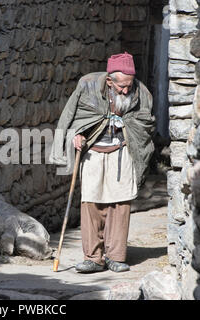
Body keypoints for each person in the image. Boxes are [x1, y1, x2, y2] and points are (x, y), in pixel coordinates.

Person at [49, 52, 155, 273]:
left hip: (122, 152)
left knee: (120, 203)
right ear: (109, 80)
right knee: (91, 203)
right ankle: (93, 258)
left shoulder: (140, 92)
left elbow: (145, 122)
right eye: (121, 87)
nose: (125, 90)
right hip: (93, 153)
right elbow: (73, 116)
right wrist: (76, 134)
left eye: (129, 85)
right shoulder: (87, 86)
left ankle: (115, 256)